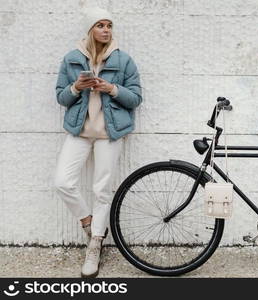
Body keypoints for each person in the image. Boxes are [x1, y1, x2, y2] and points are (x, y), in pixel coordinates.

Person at [53, 6, 142, 278]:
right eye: (100, 25)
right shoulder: (71, 59)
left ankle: (95, 243)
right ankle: (89, 222)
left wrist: (111, 89)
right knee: (62, 182)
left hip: (110, 133)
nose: (106, 30)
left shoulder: (124, 61)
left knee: (101, 190)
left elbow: (136, 98)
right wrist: (75, 88)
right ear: (90, 29)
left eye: (109, 25)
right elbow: (60, 97)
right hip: (79, 131)